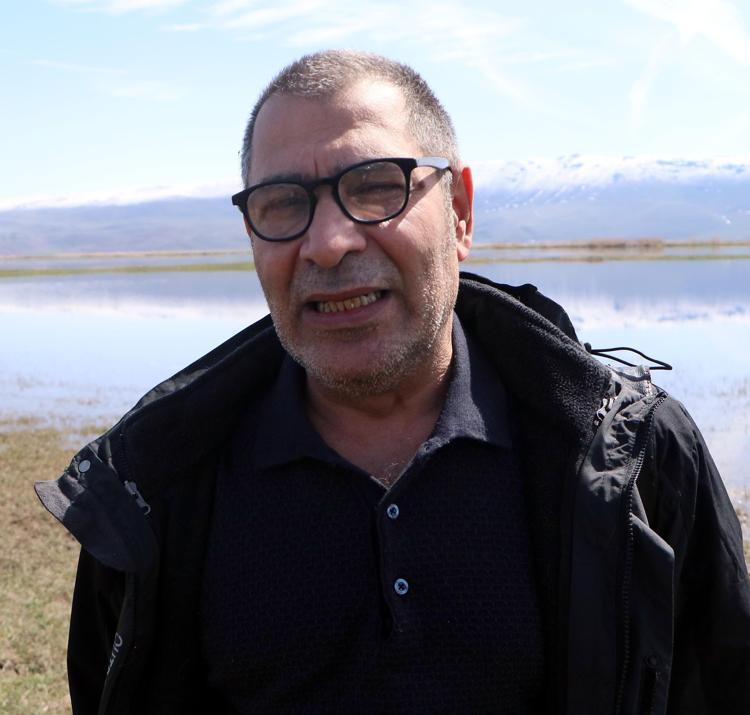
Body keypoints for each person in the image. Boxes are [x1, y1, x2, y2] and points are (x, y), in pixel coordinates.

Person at [36, 50, 750, 714]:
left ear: (460, 212)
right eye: (283, 202)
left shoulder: (635, 459)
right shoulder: (151, 487)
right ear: (251, 235)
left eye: (376, 186)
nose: (328, 244)